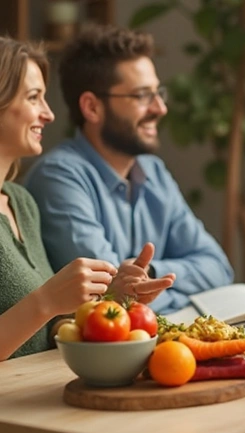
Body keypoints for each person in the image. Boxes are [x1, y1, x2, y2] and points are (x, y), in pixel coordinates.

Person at [24, 25, 233, 315]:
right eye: (141, 96)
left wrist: (150, 274)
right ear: (92, 107)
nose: (160, 108)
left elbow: (217, 266)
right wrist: (158, 286)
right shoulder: (58, 178)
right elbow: (111, 295)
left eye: (158, 93)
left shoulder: (154, 172)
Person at [0, 36, 174, 360]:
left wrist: (114, 295)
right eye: (34, 97)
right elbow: (42, 309)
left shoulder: (21, 203)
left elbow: (44, 331)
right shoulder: (55, 177)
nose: (49, 115)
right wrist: (46, 301)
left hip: (34, 391)